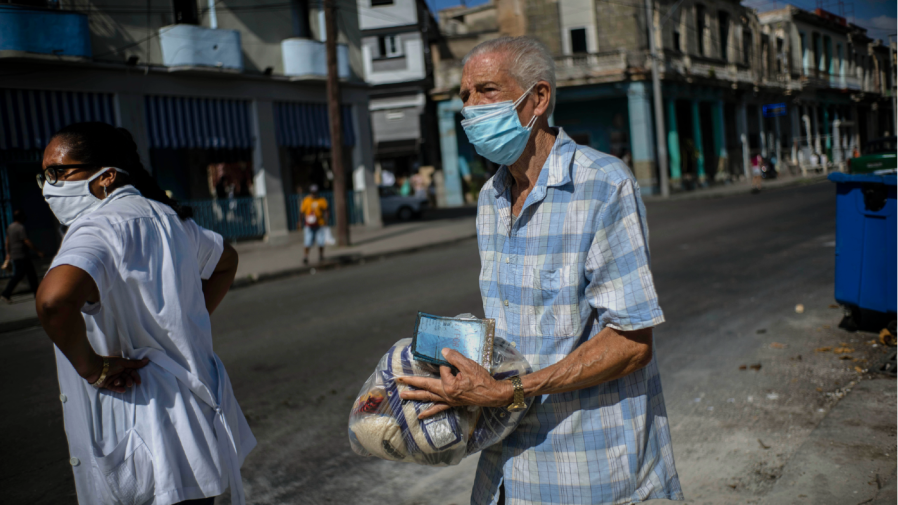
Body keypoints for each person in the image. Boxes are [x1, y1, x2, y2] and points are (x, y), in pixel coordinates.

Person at [398, 37, 682, 504]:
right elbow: (519, 329)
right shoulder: (491, 199)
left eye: (486, 90)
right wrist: (458, 364)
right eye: (464, 96)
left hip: (590, 473)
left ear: (538, 98)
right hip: (507, 473)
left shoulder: (604, 185)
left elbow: (631, 343)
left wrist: (509, 391)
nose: (470, 108)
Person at [35, 122, 255, 505]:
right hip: (193, 422)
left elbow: (54, 301)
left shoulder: (98, 227)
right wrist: (184, 324)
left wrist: (92, 368)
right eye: (45, 174)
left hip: (140, 422)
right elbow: (226, 261)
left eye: (58, 172)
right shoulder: (167, 218)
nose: (48, 185)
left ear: (105, 177)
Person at [1, 210, 44, 303]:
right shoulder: (20, 227)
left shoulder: (10, 227)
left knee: (31, 275)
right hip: (22, 255)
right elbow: (26, 241)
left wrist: (8, 253)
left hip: (16, 255)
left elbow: (7, 242)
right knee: (19, 275)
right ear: (21, 217)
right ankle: (6, 294)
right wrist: (38, 251)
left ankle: (37, 294)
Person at [300, 184, 328, 264]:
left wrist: (326, 220)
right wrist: (299, 222)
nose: (314, 194)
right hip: (309, 225)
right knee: (307, 241)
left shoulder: (321, 200)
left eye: (315, 192)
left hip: (320, 224)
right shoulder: (306, 200)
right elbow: (301, 212)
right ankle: (305, 256)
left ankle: (321, 255)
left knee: (321, 241)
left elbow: (326, 210)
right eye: (313, 192)